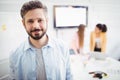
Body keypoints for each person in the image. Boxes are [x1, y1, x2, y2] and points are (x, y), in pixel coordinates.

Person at [9, 0, 72, 80]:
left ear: (47, 21)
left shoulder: (63, 48)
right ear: (23, 23)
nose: (35, 26)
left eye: (40, 20)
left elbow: (69, 77)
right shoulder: (14, 55)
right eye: (30, 21)